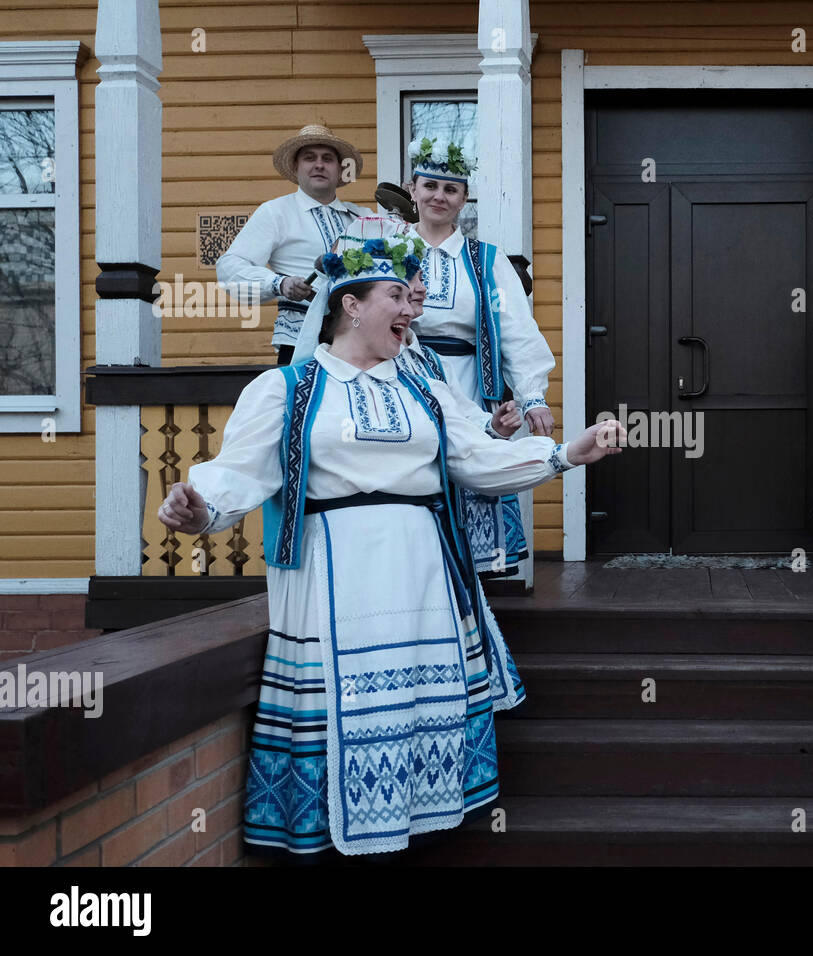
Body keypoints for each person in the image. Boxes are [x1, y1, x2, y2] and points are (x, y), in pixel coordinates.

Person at [158, 237, 625, 859]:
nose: (412, 310)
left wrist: (566, 453)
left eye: (412, 297)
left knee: (413, 700)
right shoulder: (285, 389)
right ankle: (331, 833)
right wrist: (198, 508)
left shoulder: (424, 390)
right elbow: (238, 471)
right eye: (397, 296)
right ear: (350, 304)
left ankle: (414, 823)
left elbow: (478, 459)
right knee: (343, 703)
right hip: (336, 571)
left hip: (420, 570)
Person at [398, 136, 556, 578]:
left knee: (470, 466)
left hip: (467, 380)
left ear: (465, 198)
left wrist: (532, 395)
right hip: (400, 375)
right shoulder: (390, 251)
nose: (439, 197)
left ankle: (467, 589)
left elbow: (517, 330)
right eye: (430, 186)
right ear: (413, 189)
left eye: (451, 189)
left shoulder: (486, 261)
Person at [216, 125, 370, 364]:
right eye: (310, 158)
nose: (319, 164)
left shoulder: (362, 217)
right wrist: (280, 284)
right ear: (297, 167)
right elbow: (230, 268)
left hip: (358, 342)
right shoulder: (276, 212)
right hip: (299, 342)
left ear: (340, 169)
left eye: (327, 159)